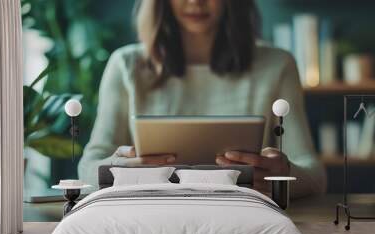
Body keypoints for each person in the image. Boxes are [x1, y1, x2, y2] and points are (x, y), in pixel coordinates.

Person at [78, 0, 326, 198]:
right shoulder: (125, 65)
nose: (195, 2)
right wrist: (117, 169)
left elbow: (315, 177)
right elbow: (86, 169)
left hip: (243, 218)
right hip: (149, 217)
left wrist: (282, 176)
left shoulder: (277, 64)